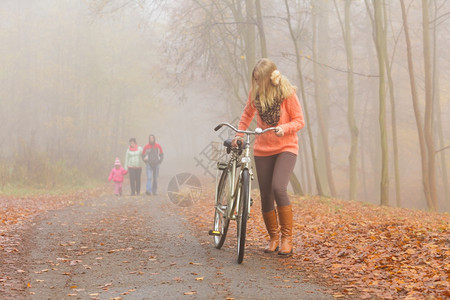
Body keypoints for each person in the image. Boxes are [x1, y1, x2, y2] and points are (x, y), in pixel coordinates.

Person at [232, 58, 304, 256]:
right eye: (254, 79)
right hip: (263, 149)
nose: (256, 83)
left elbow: (299, 121)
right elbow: (247, 115)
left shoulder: (286, 94)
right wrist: (239, 135)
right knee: (265, 195)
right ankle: (273, 237)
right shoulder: (255, 93)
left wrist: (284, 127)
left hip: (286, 146)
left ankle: (286, 239)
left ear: (270, 78)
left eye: (259, 79)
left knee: (278, 187)